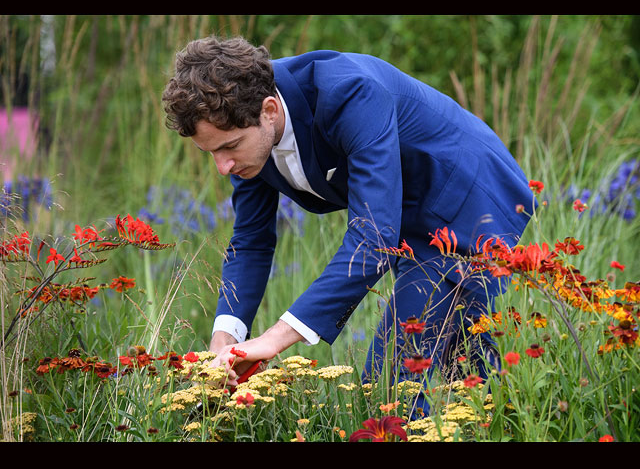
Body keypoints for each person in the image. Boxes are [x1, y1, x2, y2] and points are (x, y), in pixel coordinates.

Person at [161, 35, 535, 415]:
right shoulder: (245, 132)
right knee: (471, 374)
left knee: (389, 383)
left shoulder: (348, 92)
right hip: (408, 217)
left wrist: (274, 339)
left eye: (229, 147)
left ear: (270, 110)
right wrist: (224, 341)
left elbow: (373, 237)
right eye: (210, 152)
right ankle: (518, 423)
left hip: (469, 200)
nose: (222, 167)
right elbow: (252, 241)